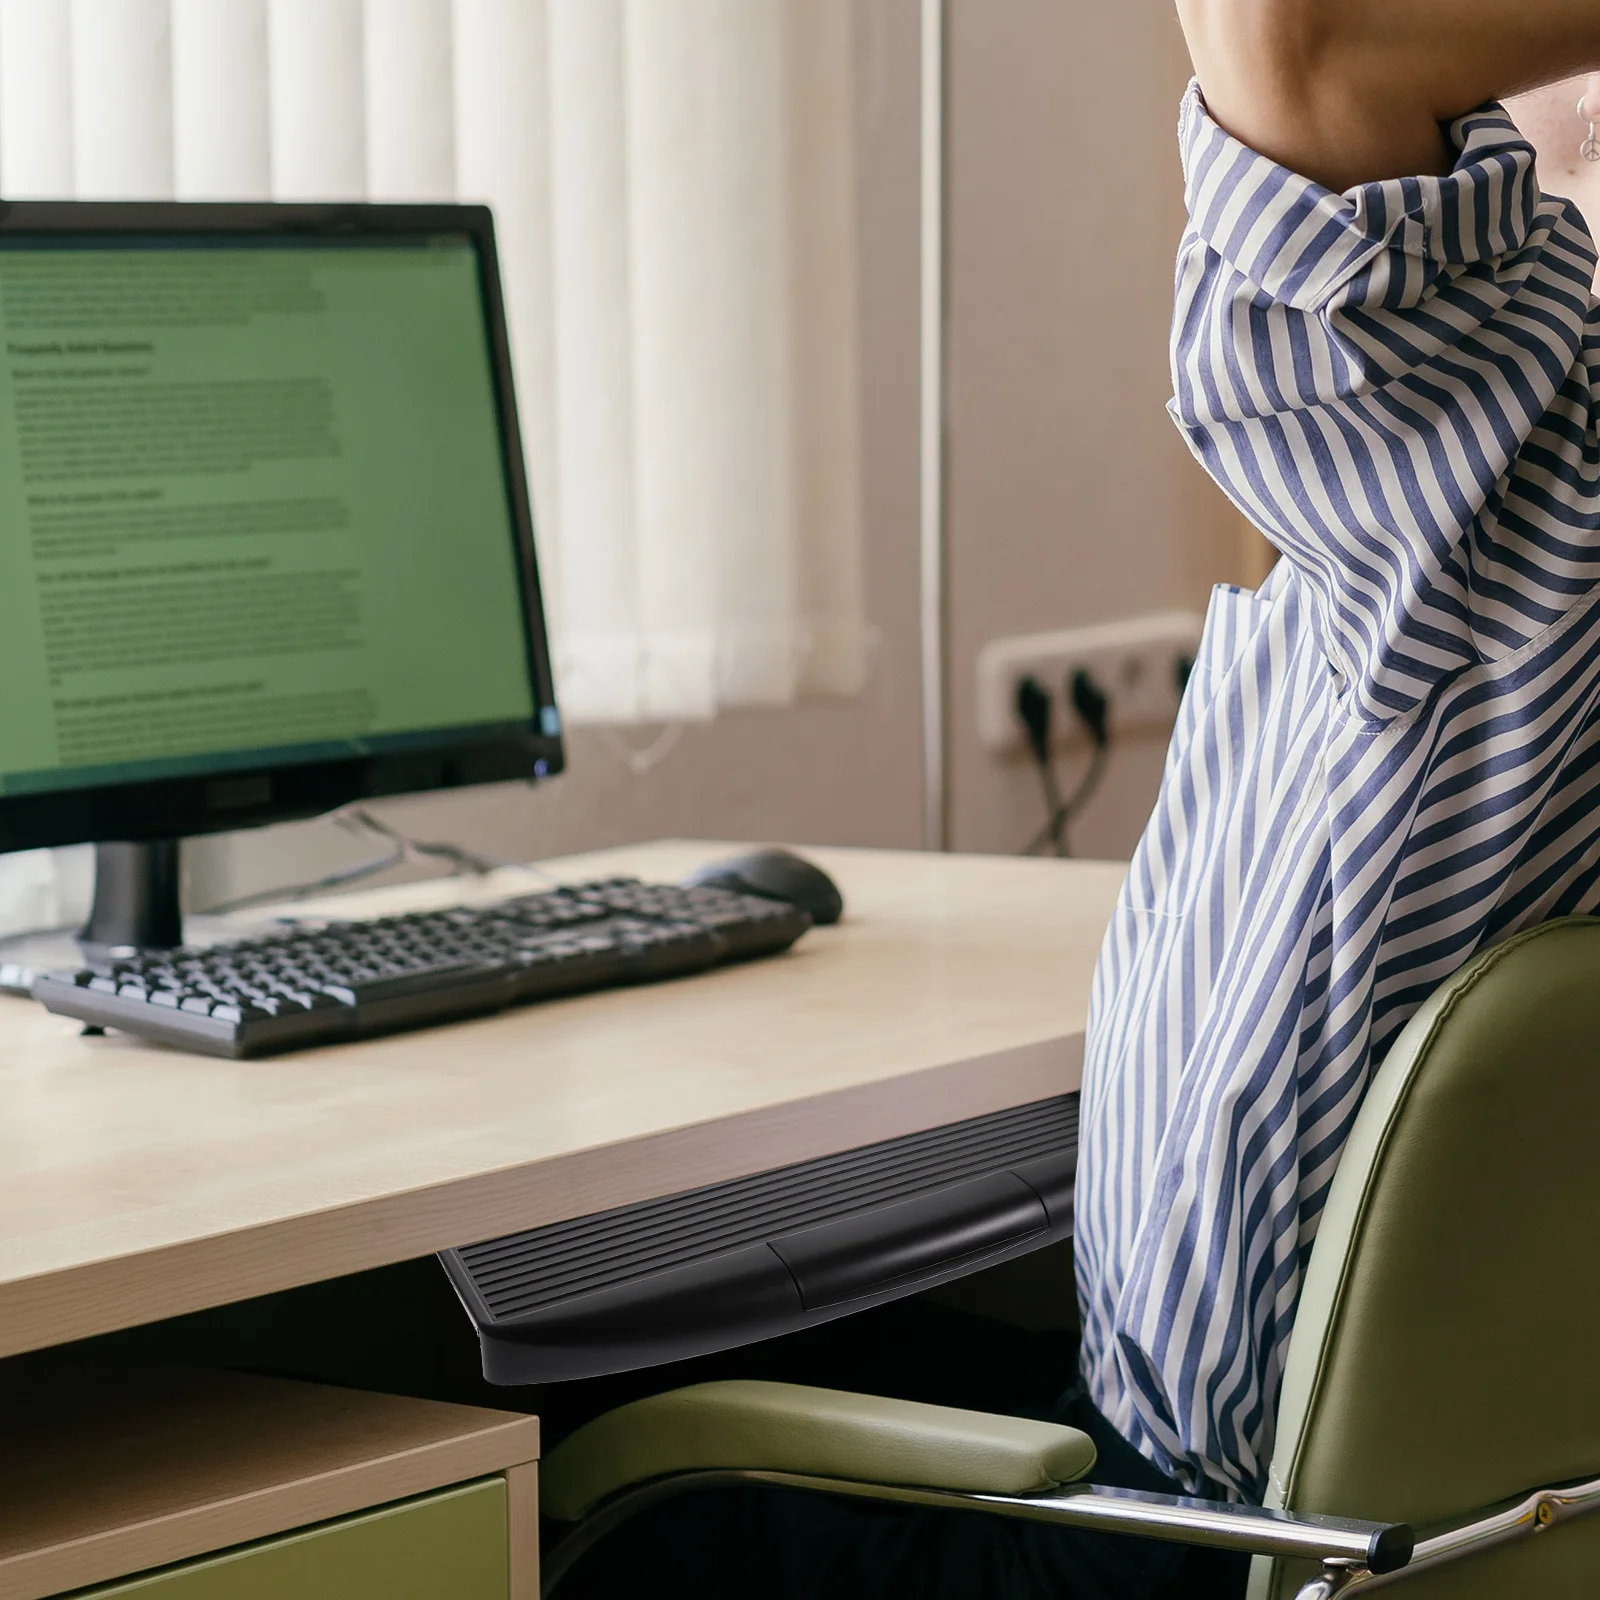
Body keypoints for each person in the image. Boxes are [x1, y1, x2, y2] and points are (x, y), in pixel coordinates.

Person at [555, 8, 1600, 1596]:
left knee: (561, 1447)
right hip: (1491, 1534)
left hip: (1196, 1539)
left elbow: (1298, 44)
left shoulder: (1516, 494)